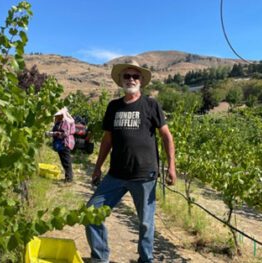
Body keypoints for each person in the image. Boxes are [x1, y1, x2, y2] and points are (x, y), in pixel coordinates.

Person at [85, 62, 177, 263]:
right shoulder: (113, 106)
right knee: (92, 212)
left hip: (145, 176)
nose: (131, 79)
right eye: (127, 76)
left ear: (141, 81)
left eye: (135, 76)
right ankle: (100, 258)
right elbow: (107, 140)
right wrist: (98, 167)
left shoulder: (151, 105)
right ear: (121, 80)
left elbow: (167, 137)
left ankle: (146, 260)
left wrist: (172, 166)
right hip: (116, 175)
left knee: (145, 223)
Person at [50, 107, 76, 183]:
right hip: (63, 143)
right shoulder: (62, 121)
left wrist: (53, 134)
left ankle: (69, 179)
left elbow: (65, 133)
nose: (56, 117)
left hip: (65, 143)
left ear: (62, 115)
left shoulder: (65, 122)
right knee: (65, 160)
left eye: (58, 115)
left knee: (66, 161)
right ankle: (68, 178)